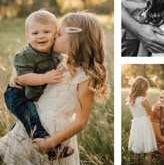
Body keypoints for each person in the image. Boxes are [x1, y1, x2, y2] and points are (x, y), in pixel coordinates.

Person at [0, 12, 107, 164]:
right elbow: (29, 69)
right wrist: (16, 78)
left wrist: (50, 143)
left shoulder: (85, 77)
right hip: (33, 123)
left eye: (59, 33)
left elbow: (81, 121)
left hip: (54, 135)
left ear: (74, 40)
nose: (54, 36)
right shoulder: (60, 62)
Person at [3, 10, 73, 161]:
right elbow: (23, 77)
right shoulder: (25, 55)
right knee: (31, 117)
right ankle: (51, 148)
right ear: (27, 36)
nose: (41, 36)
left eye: (46, 31)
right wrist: (45, 77)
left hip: (33, 94)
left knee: (22, 127)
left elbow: (66, 62)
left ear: (56, 34)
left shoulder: (56, 54)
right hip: (18, 94)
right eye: (35, 33)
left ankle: (6, 148)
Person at [127, 76, 157, 164]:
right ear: (143, 88)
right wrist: (154, 108)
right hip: (144, 124)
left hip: (136, 124)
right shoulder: (143, 100)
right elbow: (150, 113)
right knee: (148, 149)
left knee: (137, 148)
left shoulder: (131, 100)